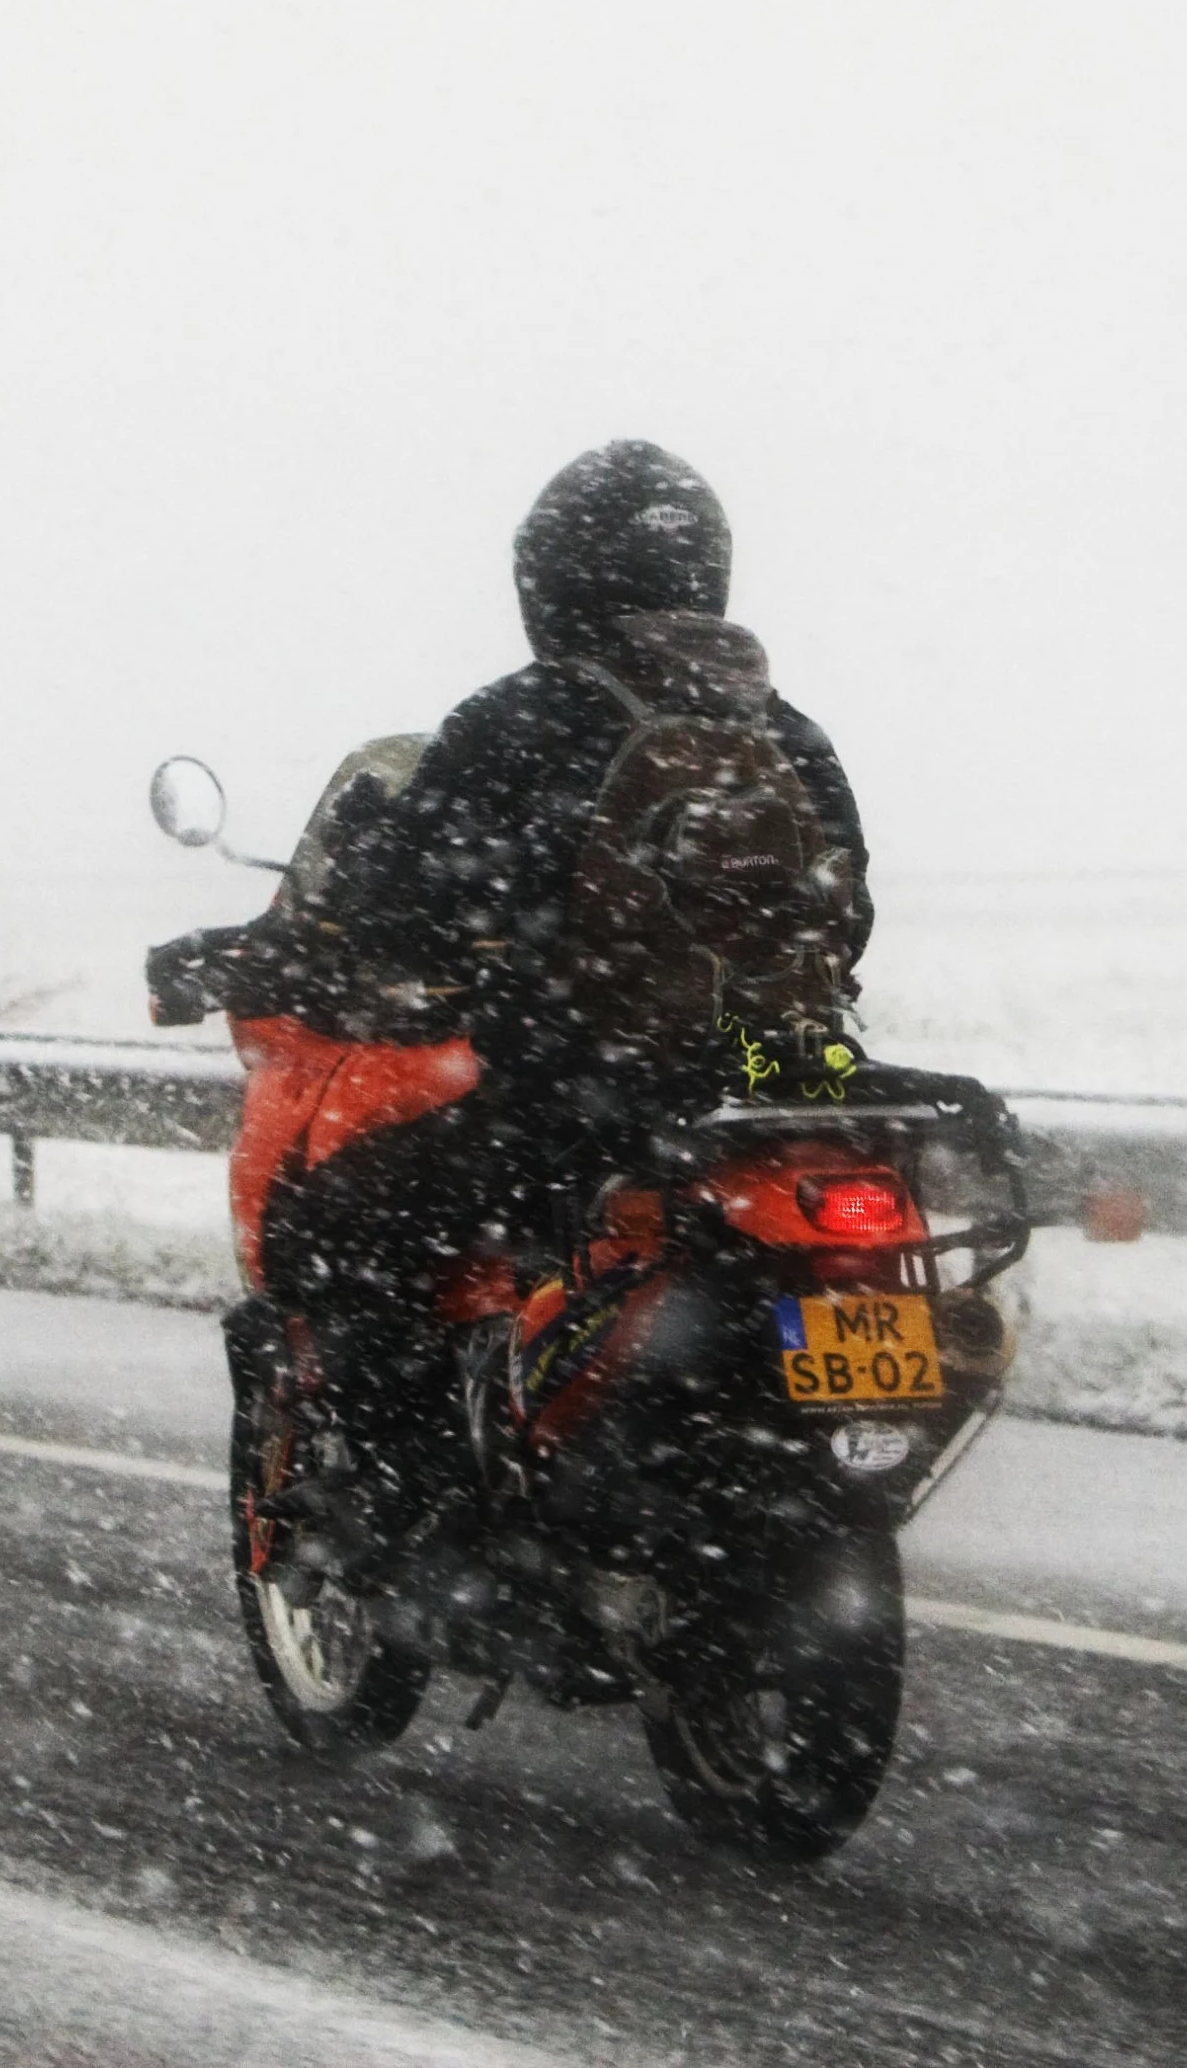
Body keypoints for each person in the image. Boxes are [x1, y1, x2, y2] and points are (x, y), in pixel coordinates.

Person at [241, 439, 875, 1557]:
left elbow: (402, 911)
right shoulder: (788, 731)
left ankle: (402, 1518)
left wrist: (392, 934)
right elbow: (849, 912)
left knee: (336, 1224)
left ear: (553, 577)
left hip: (581, 1095)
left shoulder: (525, 718)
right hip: (784, 1088)